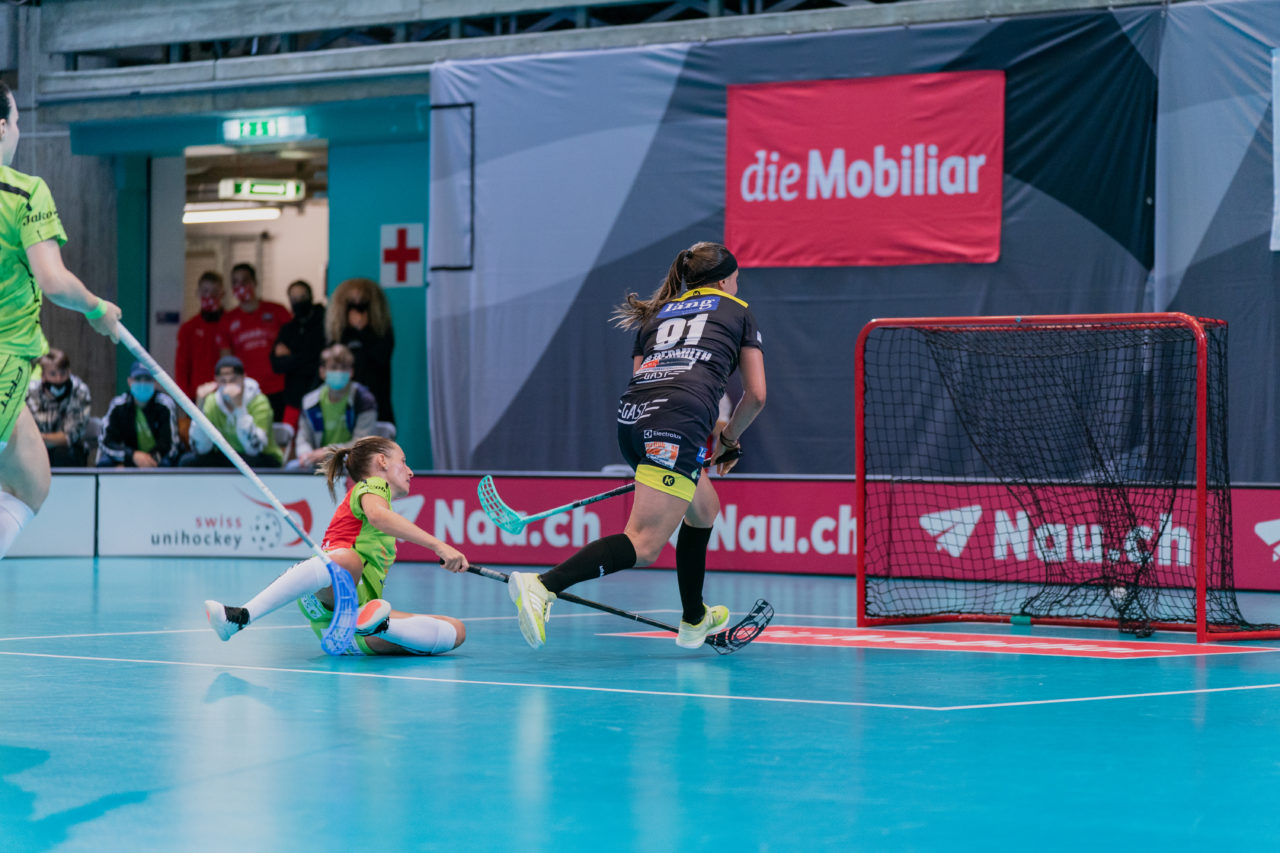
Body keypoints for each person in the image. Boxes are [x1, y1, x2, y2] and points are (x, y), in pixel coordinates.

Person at [507, 241, 766, 650]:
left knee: (704, 509)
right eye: (735, 276)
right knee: (644, 544)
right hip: (676, 424)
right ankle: (542, 585)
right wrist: (728, 440)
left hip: (632, 422)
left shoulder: (656, 314)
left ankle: (694, 617)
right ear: (723, 279)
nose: (737, 282)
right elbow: (756, 395)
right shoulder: (738, 310)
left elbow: (644, 380)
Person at [203, 435, 469, 656]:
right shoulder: (372, 485)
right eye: (404, 461)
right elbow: (379, 517)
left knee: (455, 630)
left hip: (347, 627)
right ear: (382, 461)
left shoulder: (379, 497)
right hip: (334, 589)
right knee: (349, 561)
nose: (410, 471)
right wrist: (439, 546)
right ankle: (241, 617)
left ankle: (374, 627)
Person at [0, 82, 122, 557]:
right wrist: (97, 308)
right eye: (18, 121)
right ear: (3, 126)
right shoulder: (25, 193)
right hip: (5, 357)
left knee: (31, 480)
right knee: (31, 484)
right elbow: (53, 281)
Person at [216, 263, 291, 421]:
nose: (240, 286)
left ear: (255, 283)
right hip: (245, 390)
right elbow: (226, 360)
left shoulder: (278, 311)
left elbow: (294, 346)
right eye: (235, 282)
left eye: (245, 281)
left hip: (279, 387)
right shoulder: (228, 320)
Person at [180, 355, 283, 468]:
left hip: (259, 457)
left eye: (233, 380)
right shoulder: (211, 402)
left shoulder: (259, 402)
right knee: (187, 461)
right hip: (226, 457)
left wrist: (239, 408)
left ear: (243, 378)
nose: (228, 386)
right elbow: (201, 449)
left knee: (250, 463)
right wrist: (199, 409)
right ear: (216, 381)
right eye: (223, 381)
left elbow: (254, 449)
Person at [289, 343, 377, 471]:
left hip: (352, 464)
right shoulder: (309, 402)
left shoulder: (364, 399)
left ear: (351, 372)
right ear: (322, 371)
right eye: (334, 367)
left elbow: (362, 445)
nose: (339, 372)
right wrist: (306, 455)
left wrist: (328, 452)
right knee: (291, 468)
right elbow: (303, 438)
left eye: (344, 368)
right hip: (318, 464)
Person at [326, 277, 395, 424]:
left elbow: (381, 358)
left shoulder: (381, 332)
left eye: (362, 303)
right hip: (341, 405)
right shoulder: (338, 334)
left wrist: (362, 331)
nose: (357, 310)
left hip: (376, 403)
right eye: (352, 303)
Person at [97, 361, 180, 468]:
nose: (142, 383)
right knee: (105, 463)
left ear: (155, 382)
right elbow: (106, 442)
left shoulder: (165, 405)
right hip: (128, 457)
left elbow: (171, 446)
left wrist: (148, 461)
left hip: (156, 460)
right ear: (129, 381)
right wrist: (132, 457)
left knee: (168, 464)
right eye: (138, 379)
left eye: (147, 380)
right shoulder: (118, 405)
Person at [270, 279, 326, 428]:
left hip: (320, 397)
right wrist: (303, 357)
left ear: (311, 296)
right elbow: (276, 365)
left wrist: (291, 356)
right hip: (293, 399)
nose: (298, 302)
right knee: (288, 444)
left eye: (302, 297)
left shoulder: (324, 323)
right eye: (294, 299)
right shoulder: (288, 329)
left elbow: (316, 359)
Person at [26, 348, 92, 467]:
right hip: (33, 449)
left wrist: (39, 438)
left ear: (69, 372)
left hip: (68, 452)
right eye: (53, 374)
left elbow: (69, 436)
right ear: (43, 375)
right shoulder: (28, 393)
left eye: (63, 373)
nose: (58, 379)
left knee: (63, 454)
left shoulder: (80, 392)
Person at [174, 271, 226, 401]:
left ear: (222, 294)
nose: (209, 296)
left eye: (214, 292)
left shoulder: (231, 324)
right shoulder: (188, 328)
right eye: (205, 291)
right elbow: (182, 367)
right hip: (197, 396)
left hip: (226, 394)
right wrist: (183, 398)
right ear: (198, 293)